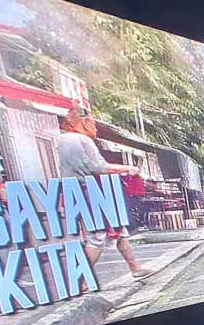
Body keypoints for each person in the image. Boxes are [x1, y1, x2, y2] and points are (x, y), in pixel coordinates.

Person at [57, 105, 153, 283]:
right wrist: (128, 168)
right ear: (85, 122)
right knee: (98, 236)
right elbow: (99, 167)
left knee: (119, 229)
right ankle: (80, 281)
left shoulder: (62, 140)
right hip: (89, 192)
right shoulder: (82, 140)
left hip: (77, 191)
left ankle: (135, 268)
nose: (95, 129)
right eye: (93, 124)